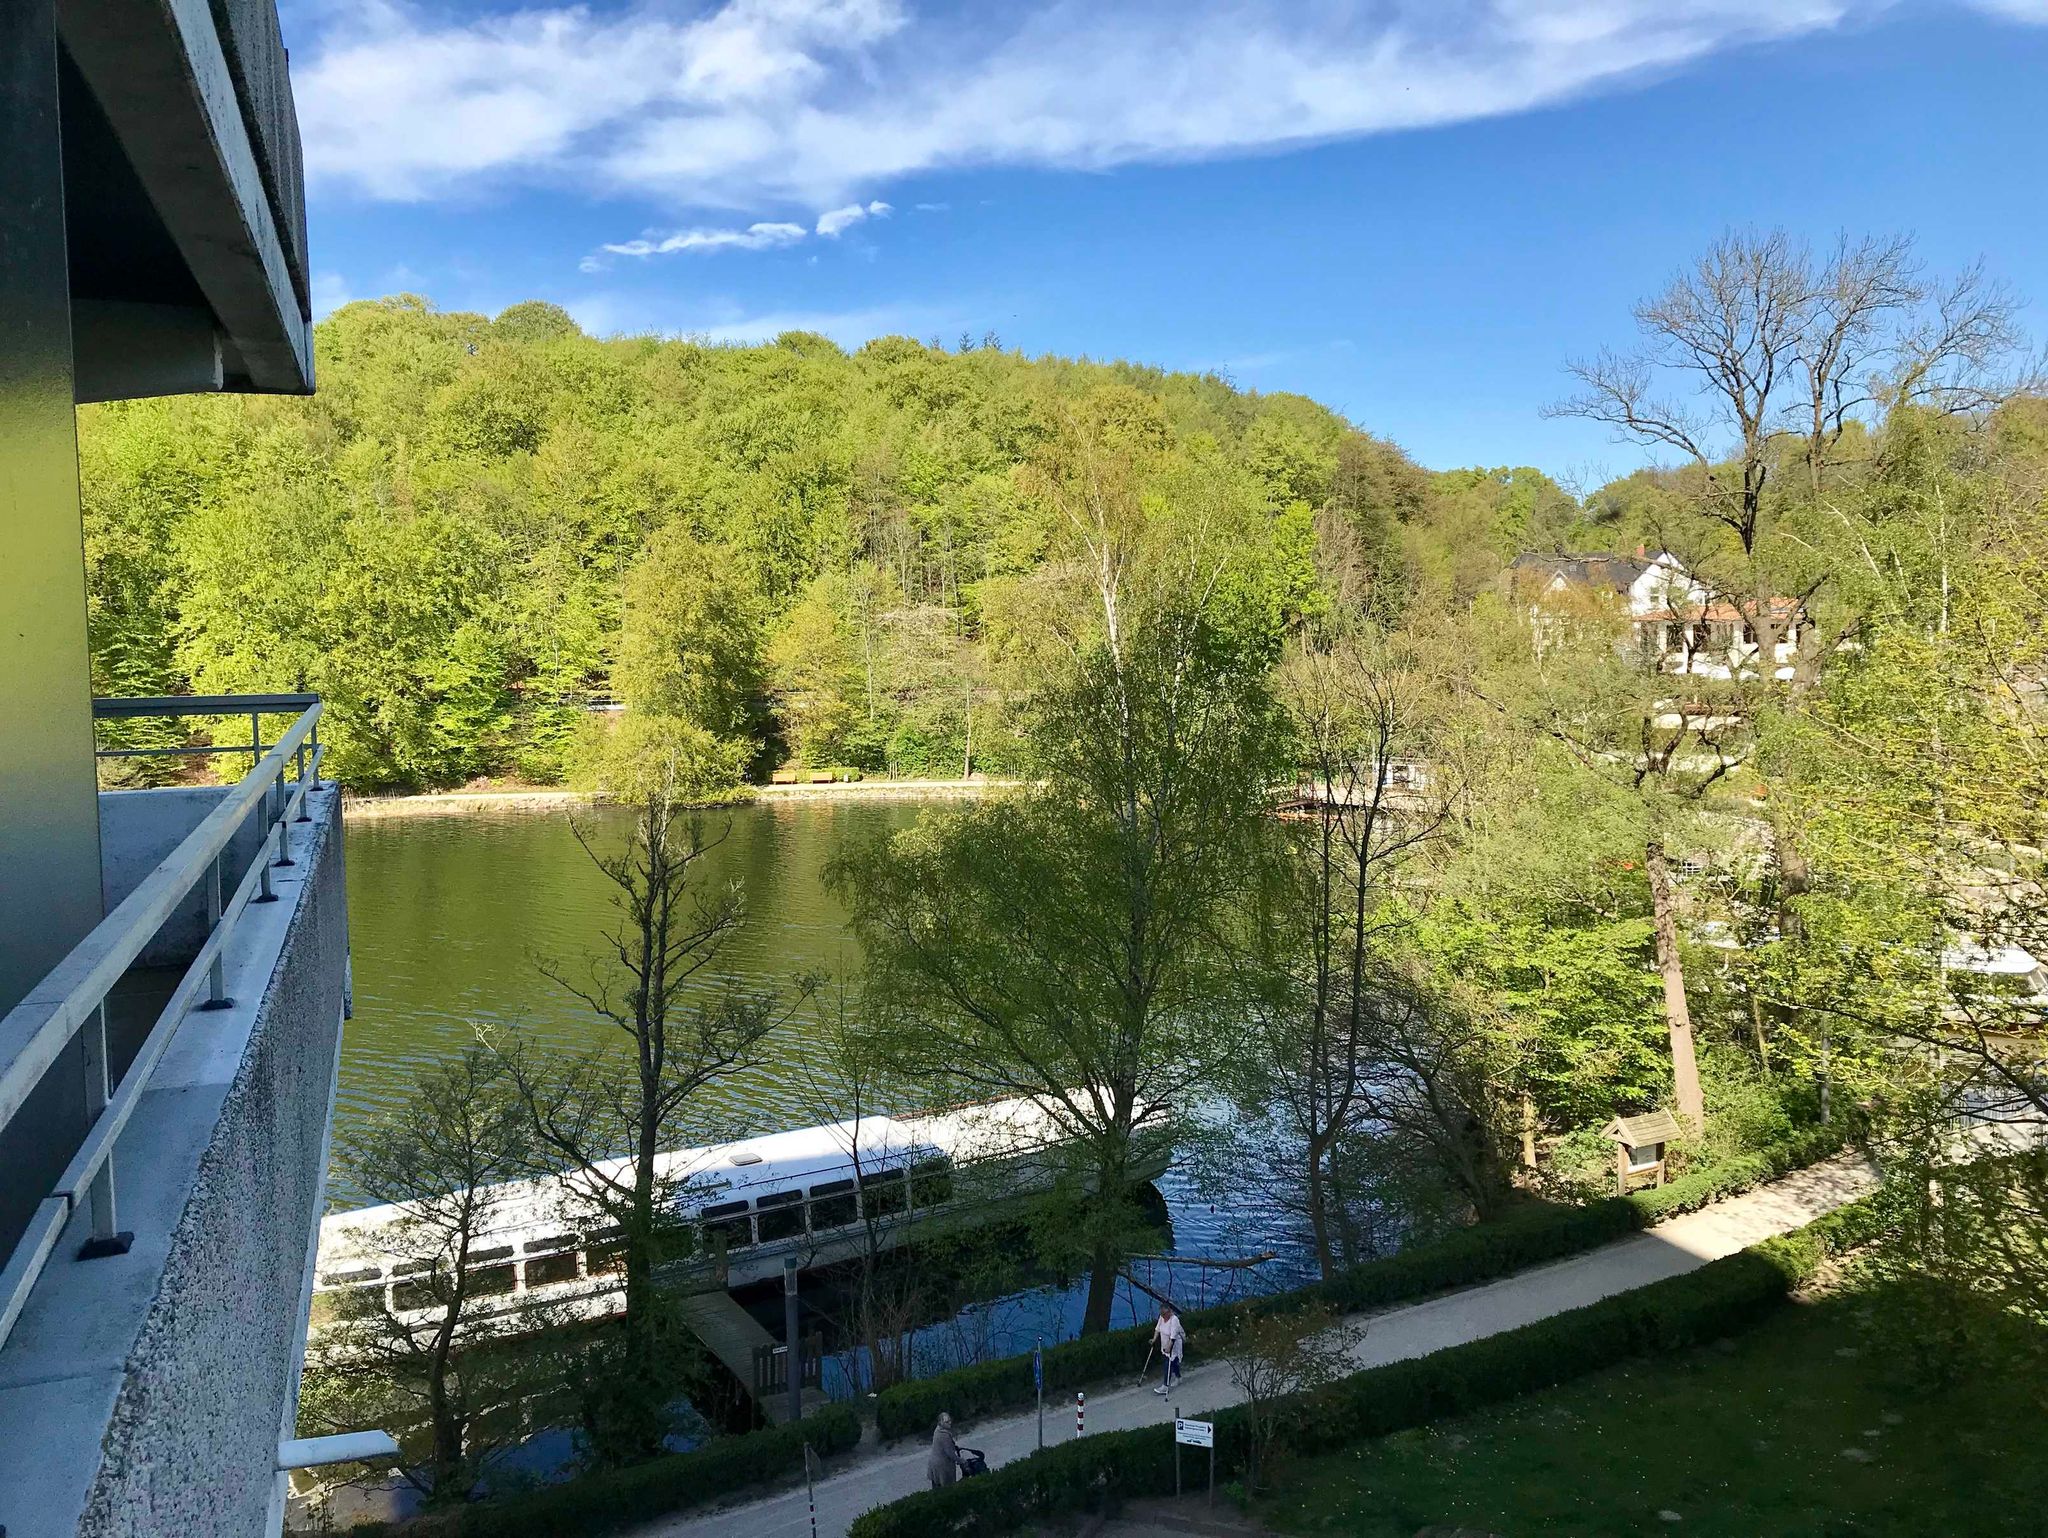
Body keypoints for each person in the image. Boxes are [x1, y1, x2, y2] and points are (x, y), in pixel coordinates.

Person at [1152, 1301, 1186, 1395]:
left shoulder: (1174, 1320)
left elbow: (1173, 1336)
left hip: (1174, 1345)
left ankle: (1165, 1386)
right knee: (1173, 1363)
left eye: (1164, 1314)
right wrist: (1154, 1339)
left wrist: (1169, 1347)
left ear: (1169, 1312)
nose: (1162, 1316)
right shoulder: (1162, 1318)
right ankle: (1179, 1378)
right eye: (1161, 1314)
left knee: (1168, 1363)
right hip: (1165, 1343)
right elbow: (1157, 1329)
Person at [927, 1411, 965, 1489]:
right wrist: (960, 1460)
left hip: (934, 1463)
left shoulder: (938, 1430)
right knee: (947, 1487)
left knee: (936, 1486)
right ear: (941, 1422)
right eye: (947, 1422)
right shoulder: (944, 1436)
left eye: (950, 1420)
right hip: (942, 1465)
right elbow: (949, 1453)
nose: (950, 1423)